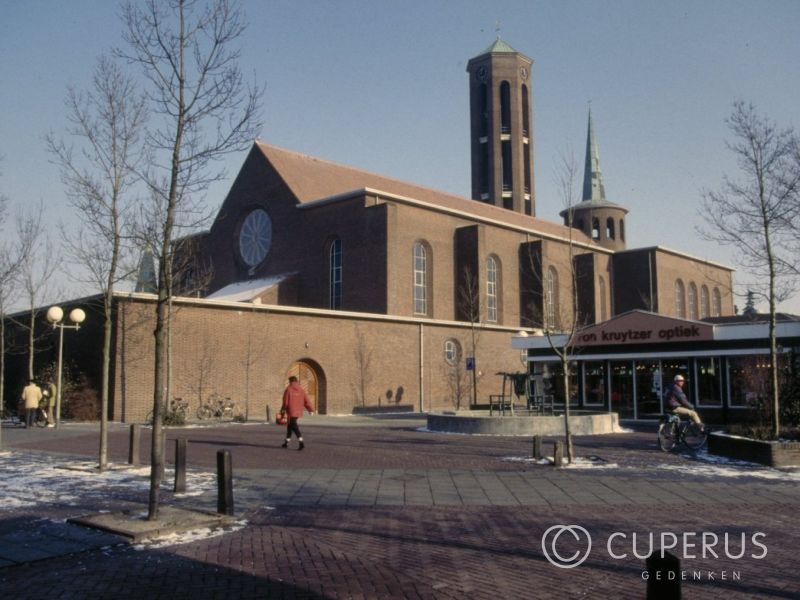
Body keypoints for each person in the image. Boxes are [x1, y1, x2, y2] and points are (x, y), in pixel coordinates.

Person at [280, 376, 314, 450]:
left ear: (290, 381)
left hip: (291, 411)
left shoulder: (288, 389)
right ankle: (286, 442)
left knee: (294, 427)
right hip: (298, 411)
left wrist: (282, 411)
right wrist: (310, 409)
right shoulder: (301, 389)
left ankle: (301, 442)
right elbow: (306, 400)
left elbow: (285, 402)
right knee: (290, 426)